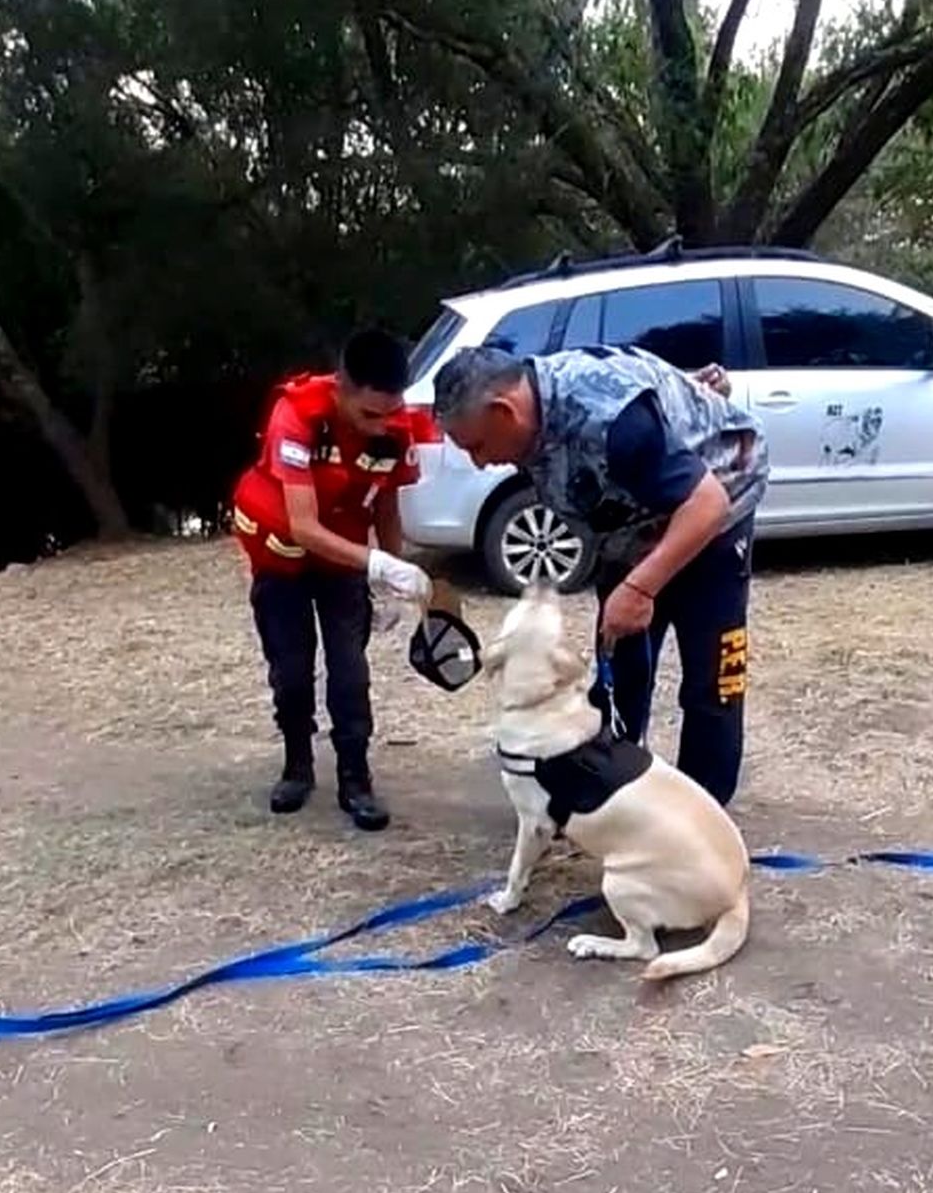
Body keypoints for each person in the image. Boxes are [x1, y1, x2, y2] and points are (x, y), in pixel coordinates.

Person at [434, 342, 768, 806]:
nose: (479, 462)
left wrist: (640, 585)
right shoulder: (533, 410)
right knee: (621, 662)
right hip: (630, 528)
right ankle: (613, 793)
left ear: (503, 411)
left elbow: (707, 503)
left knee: (713, 678)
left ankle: (699, 811)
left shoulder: (609, 419)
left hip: (714, 514)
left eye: (476, 446)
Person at [233, 327, 430, 829]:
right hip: (285, 558)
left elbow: (386, 501)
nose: (382, 425)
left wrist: (391, 570)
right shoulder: (296, 418)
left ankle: (355, 778)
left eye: (391, 412)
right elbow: (303, 526)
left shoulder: (393, 425)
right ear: (340, 388)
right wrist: (378, 564)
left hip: (344, 560)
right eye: (369, 414)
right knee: (292, 671)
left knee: (350, 671)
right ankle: (297, 766)